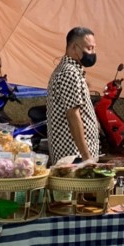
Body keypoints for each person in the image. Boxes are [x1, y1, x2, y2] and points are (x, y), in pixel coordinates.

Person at [46, 26, 101, 163]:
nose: (92, 53)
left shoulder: (71, 70)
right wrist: (86, 156)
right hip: (74, 155)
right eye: (89, 48)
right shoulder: (69, 73)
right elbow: (73, 115)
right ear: (74, 48)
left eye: (94, 48)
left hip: (75, 154)